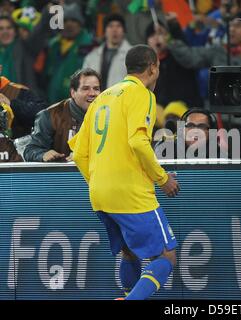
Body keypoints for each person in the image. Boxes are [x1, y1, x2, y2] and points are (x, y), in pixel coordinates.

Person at [69, 44, 180, 300]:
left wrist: (97, 180)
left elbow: (79, 154)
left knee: (129, 251)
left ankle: (126, 294)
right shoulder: (141, 94)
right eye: (158, 68)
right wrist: (162, 179)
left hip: (99, 194)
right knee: (166, 256)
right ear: (153, 68)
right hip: (131, 193)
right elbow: (138, 142)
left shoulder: (103, 97)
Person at [23, 68, 101, 162]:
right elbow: (30, 150)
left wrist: (84, 156)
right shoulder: (50, 116)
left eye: (96, 89)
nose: (92, 93)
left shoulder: (108, 115)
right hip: (61, 175)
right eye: (85, 88)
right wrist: (42, 154)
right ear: (73, 92)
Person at [146, 21, 203, 108]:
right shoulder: (147, 67)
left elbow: (185, 50)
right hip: (163, 115)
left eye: (160, 34)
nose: (156, 38)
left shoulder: (179, 56)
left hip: (186, 112)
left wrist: (174, 28)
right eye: (152, 35)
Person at [83, 13, 132, 89]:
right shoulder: (92, 57)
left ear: (124, 31)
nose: (114, 30)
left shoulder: (133, 55)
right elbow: (84, 83)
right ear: (105, 31)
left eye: (118, 26)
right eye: (110, 26)